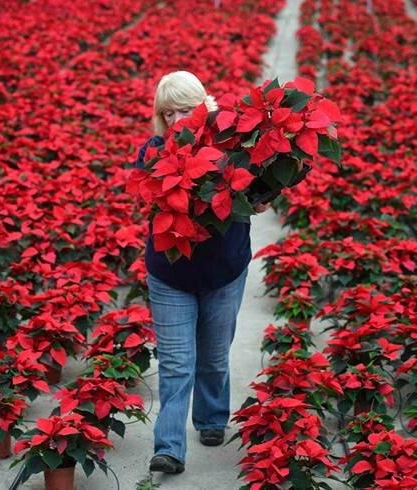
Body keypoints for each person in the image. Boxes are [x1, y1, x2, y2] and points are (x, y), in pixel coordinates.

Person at [133, 70, 268, 475]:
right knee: (176, 363)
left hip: (223, 271)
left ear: (204, 107)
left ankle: (210, 418)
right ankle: (169, 447)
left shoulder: (233, 150)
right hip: (170, 275)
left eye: (185, 111)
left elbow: (255, 197)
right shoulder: (153, 152)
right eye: (168, 113)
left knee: (213, 355)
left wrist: (259, 196)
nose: (176, 121)